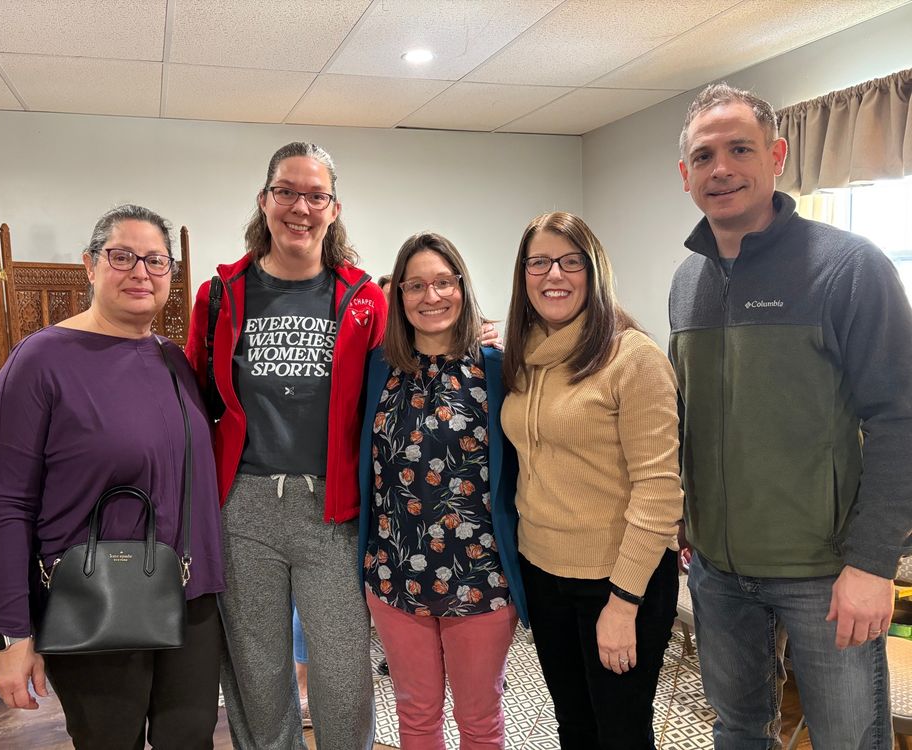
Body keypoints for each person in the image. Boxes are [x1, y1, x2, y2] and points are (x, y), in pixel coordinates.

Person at [670, 82, 912, 749]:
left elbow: (899, 421)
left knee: (849, 740)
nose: (721, 168)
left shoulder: (849, 268)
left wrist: (873, 564)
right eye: (704, 155)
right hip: (718, 570)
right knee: (738, 731)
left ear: (776, 156)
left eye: (740, 149)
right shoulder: (687, 283)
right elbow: (691, 414)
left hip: (826, 572)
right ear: (685, 174)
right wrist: (687, 520)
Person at [0, 204, 225, 749]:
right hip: (96, 597)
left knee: (191, 739)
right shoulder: (39, 362)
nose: (141, 272)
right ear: (89, 265)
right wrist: (12, 632)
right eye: (122, 257)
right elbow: (4, 506)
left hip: (189, 597)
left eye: (156, 261)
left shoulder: (173, 360)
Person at [184, 142, 384, 750]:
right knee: (257, 670)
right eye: (287, 192)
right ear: (265, 200)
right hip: (244, 508)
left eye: (315, 195)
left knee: (343, 672)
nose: (301, 207)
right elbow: (194, 401)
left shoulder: (365, 299)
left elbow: (390, 391)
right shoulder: (220, 295)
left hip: (334, 510)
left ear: (334, 208)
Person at [501, 212, 682, 749]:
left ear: (594, 269)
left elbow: (659, 491)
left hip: (617, 579)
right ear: (523, 274)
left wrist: (623, 603)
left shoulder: (633, 358)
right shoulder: (522, 355)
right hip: (543, 571)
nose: (554, 274)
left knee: (621, 734)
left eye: (570, 261)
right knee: (574, 727)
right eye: (539, 262)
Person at [358, 232, 528, 749]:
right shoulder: (378, 370)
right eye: (415, 286)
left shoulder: (498, 368)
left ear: (462, 286)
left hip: (481, 577)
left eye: (443, 282)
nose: (430, 296)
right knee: (416, 714)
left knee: (479, 718)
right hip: (394, 574)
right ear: (399, 296)